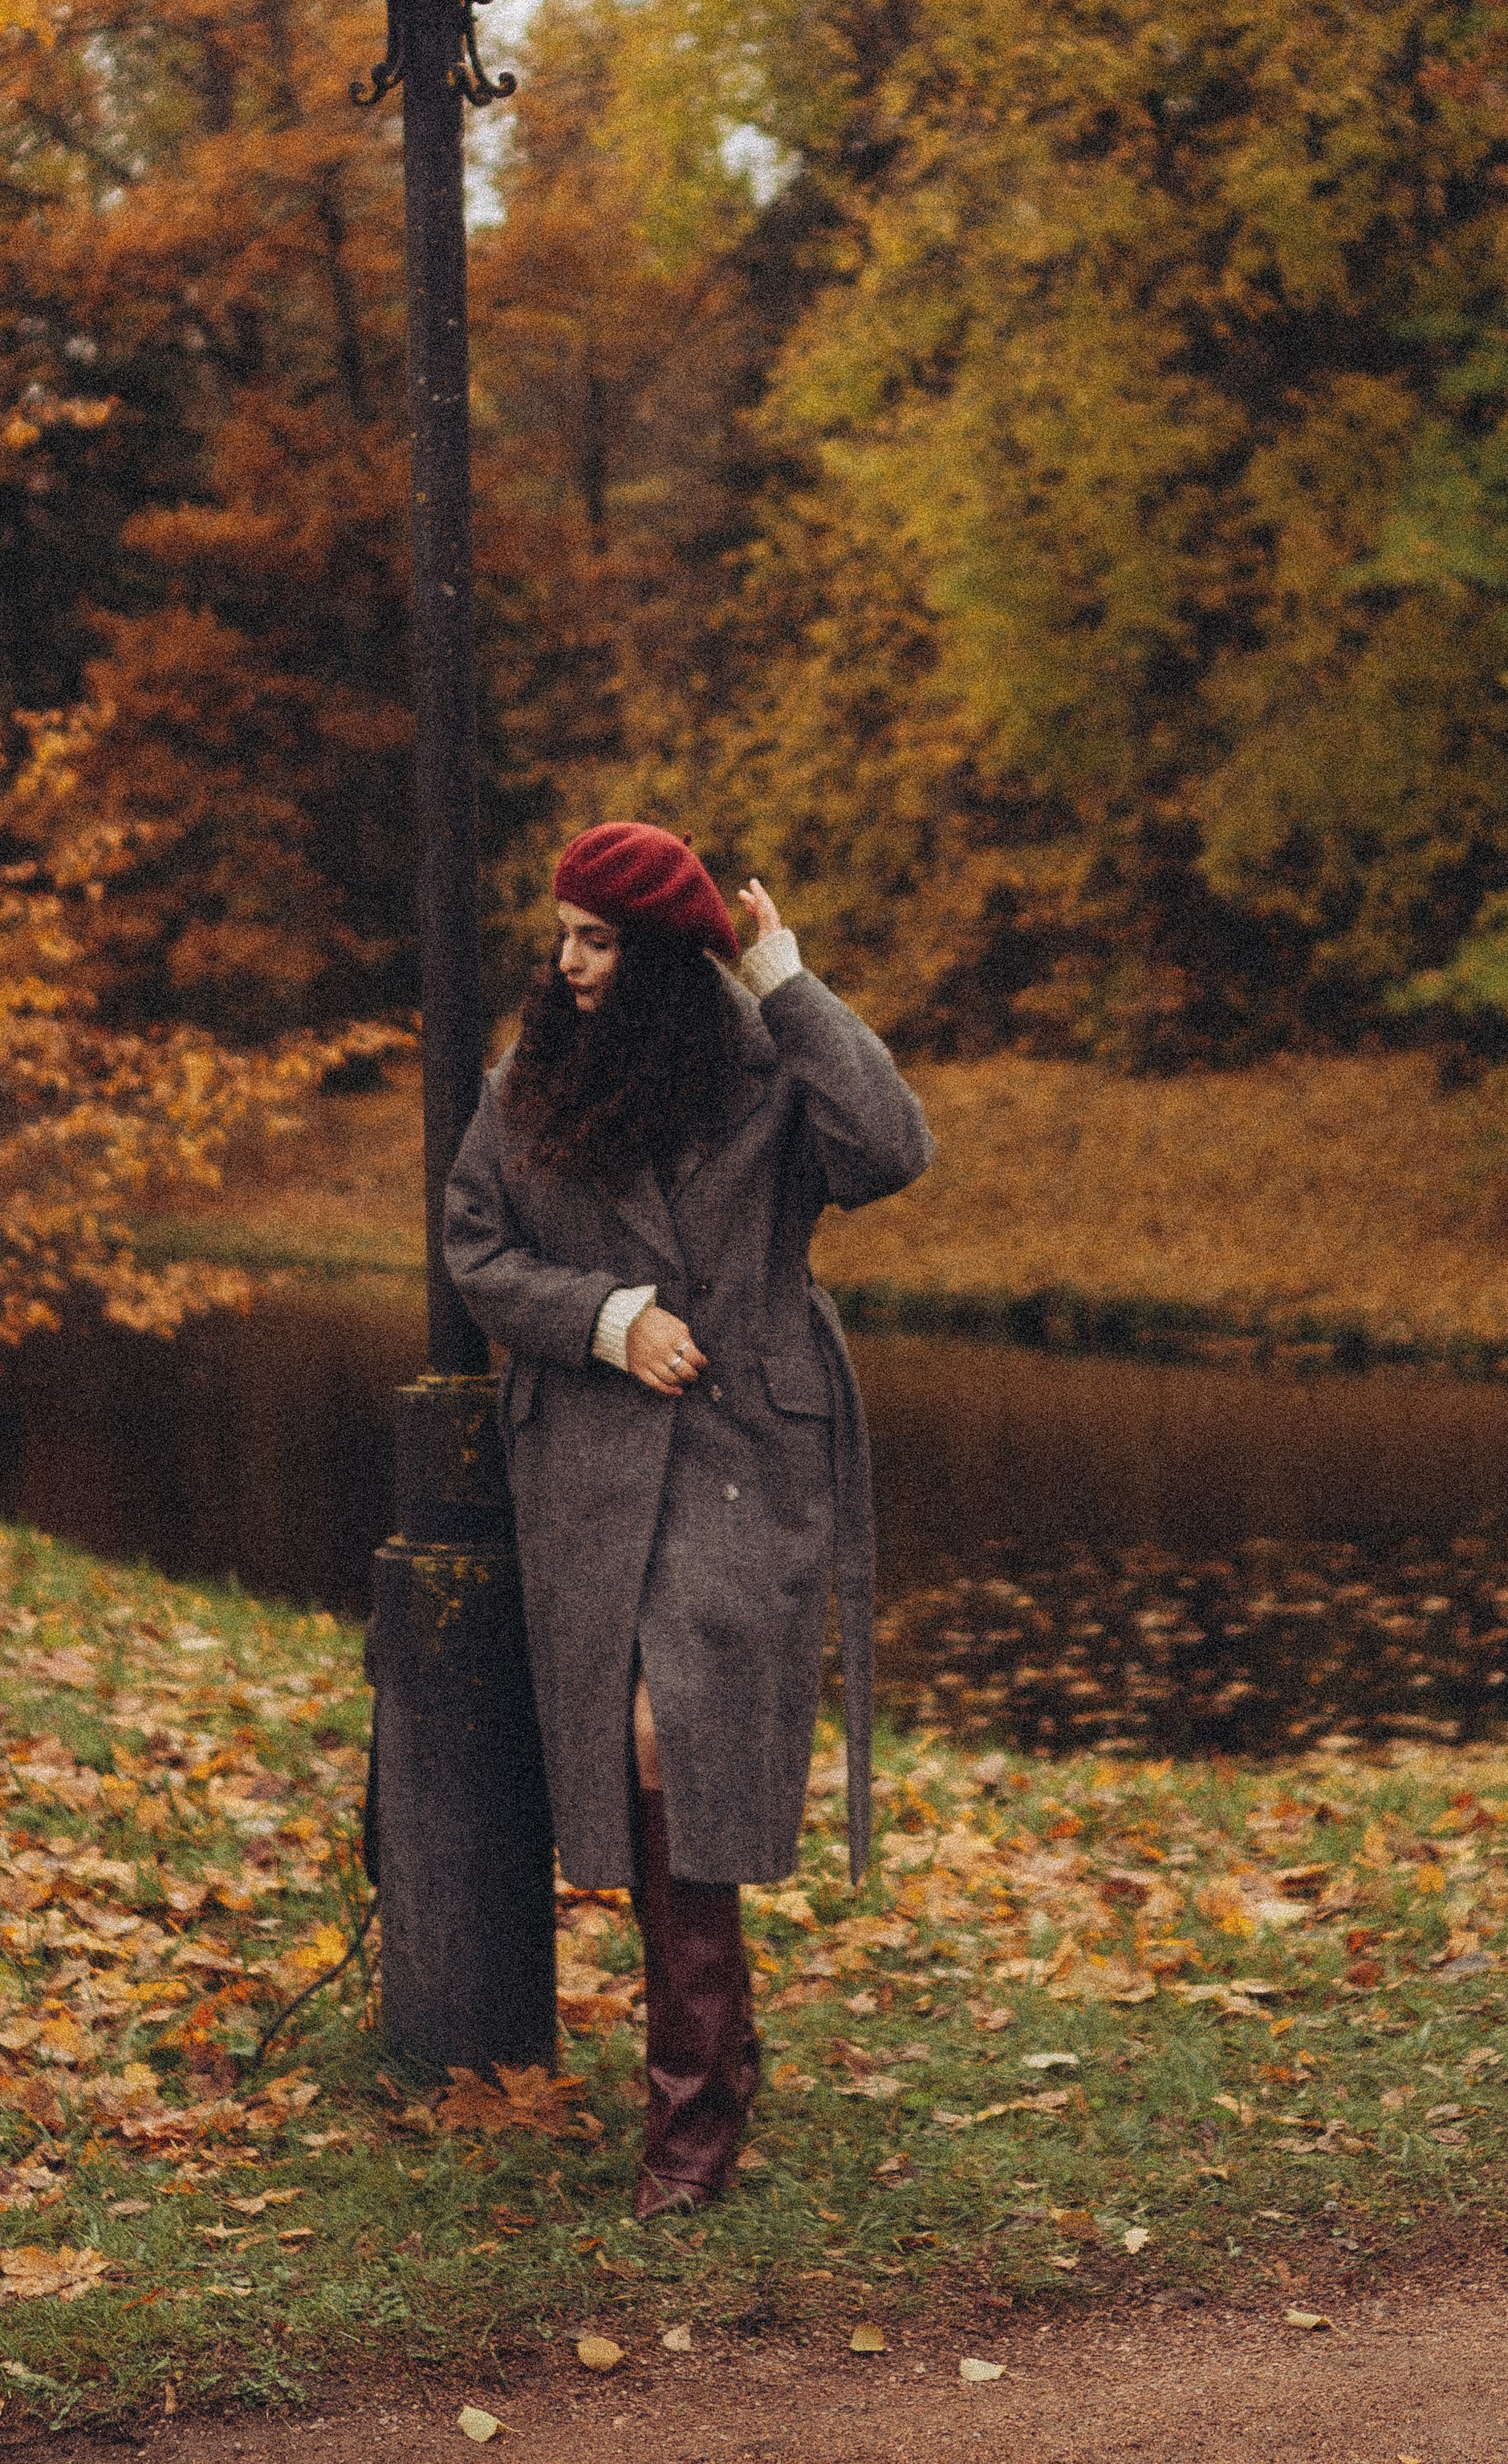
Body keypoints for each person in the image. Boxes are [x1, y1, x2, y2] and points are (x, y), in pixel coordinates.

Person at [444, 820, 933, 2215]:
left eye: (596, 941)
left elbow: (892, 1147)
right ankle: (715, 2065)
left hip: (744, 1452)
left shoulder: (771, 1070)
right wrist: (605, 1318)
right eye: (564, 937)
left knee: (671, 1747)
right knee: (652, 1769)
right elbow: (476, 1249)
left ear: (662, 954)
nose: (567, 964)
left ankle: (692, 2123)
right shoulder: (529, 1083)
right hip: (595, 1465)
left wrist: (785, 975)